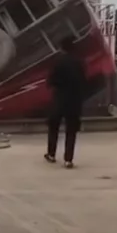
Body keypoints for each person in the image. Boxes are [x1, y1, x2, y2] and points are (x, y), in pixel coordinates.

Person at [44, 36, 86, 169]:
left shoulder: (58, 61)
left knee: (54, 127)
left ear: (62, 47)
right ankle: (68, 159)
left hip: (60, 99)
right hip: (74, 101)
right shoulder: (79, 62)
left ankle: (51, 154)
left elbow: (50, 82)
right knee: (71, 130)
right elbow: (83, 81)